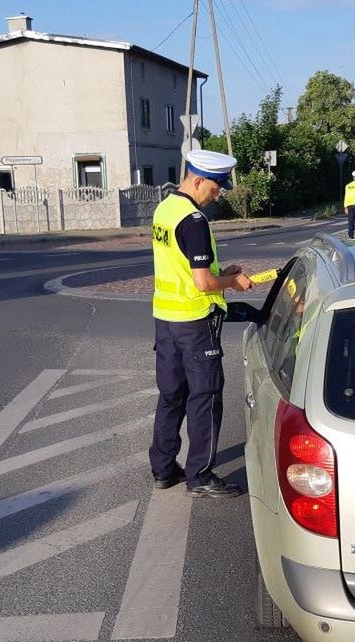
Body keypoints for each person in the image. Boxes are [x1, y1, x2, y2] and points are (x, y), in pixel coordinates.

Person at [149, 149, 253, 499]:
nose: (218, 194)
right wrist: (232, 283)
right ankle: (200, 476)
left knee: (171, 396)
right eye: (216, 187)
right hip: (195, 323)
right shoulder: (194, 221)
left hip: (166, 321)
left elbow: (183, 269)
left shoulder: (165, 209)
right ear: (197, 179)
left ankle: (163, 469)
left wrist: (219, 274)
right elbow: (203, 284)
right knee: (205, 398)